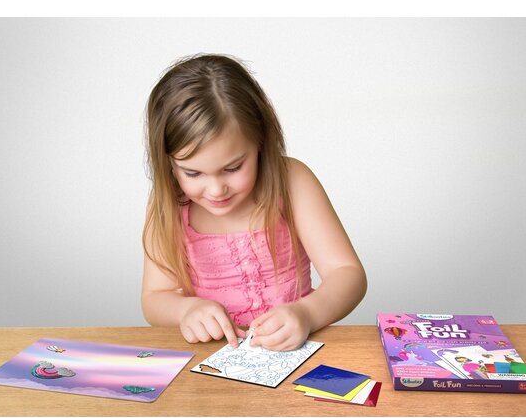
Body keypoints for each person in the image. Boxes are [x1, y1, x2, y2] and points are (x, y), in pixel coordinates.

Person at [141, 53, 367, 351]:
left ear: (259, 140)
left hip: (297, 352)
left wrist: (307, 313)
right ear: (169, 162)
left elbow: (347, 274)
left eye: (233, 168)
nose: (216, 190)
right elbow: (154, 298)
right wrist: (186, 310)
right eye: (193, 173)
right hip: (212, 360)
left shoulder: (292, 182)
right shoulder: (169, 204)